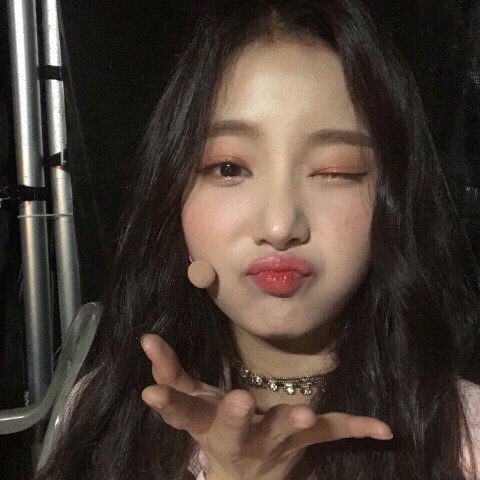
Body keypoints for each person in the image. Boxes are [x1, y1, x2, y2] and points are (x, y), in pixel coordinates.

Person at [34, 0, 480, 479]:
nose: (279, 226)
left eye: (336, 171)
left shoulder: (464, 437)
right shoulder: (103, 416)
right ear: (172, 194)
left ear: (394, 199)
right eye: (229, 168)